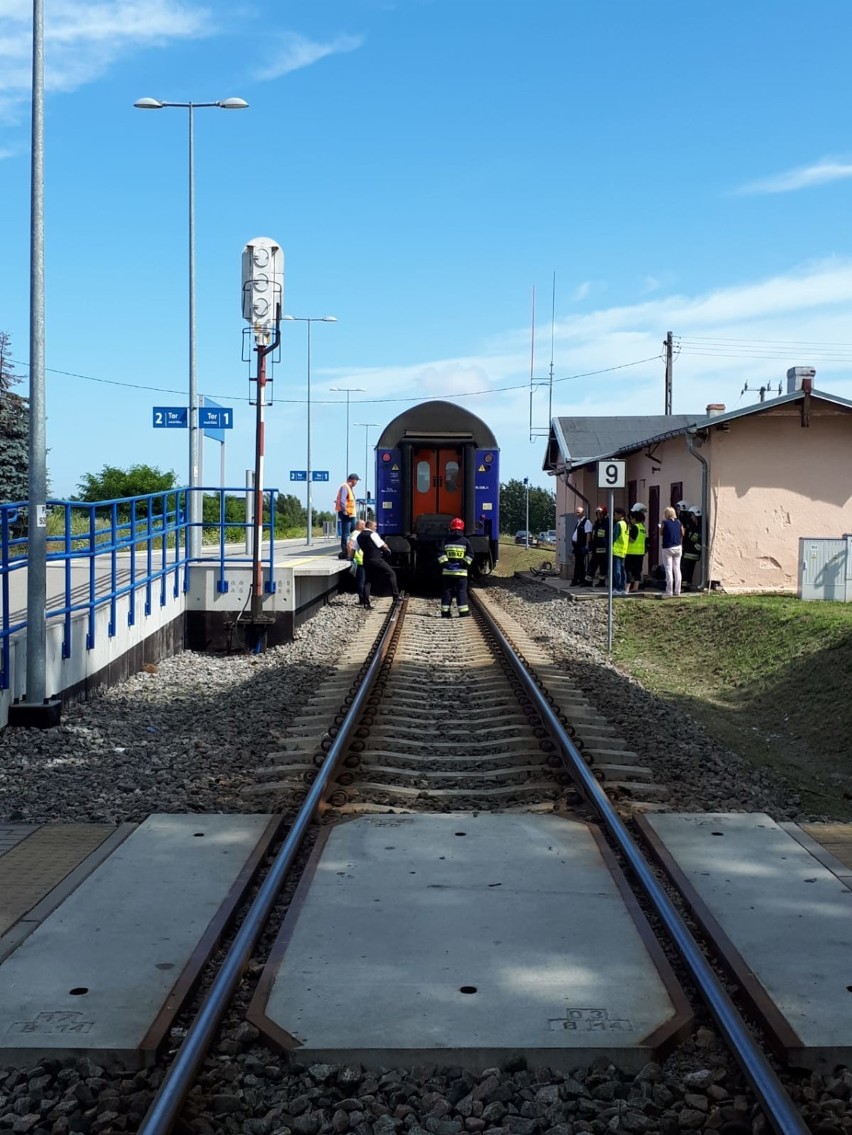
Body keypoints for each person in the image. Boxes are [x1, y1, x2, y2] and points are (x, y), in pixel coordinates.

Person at [356, 519, 400, 609]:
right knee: (391, 573)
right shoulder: (373, 534)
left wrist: (351, 558)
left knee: (367, 581)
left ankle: (366, 604)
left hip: (366, 560)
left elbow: (354, 550)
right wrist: (388, 550)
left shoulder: (359, 536)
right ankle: (396, 596)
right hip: (376, 559)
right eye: (375, 526)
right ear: (369, 526)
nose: (376, 528)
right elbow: (382, 545)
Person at [437, 517, 474, 618]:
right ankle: (463, 612)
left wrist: (447, 564)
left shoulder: (445, 541)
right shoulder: (465, 541)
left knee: (447, 592)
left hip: (448, 573)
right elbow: (470, 555)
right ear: (462, 529)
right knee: (461, 592)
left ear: (451, 528)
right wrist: (462, 564)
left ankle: (445, 613)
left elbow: (440, 555)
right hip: (461, 574)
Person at [659, 505, 684, 597]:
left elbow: (661, 533)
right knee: (677, 569)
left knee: (668, 569)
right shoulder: (679, 522)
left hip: (667, 547)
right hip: (678, 546)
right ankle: (678, 590)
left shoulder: (664, 522)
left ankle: (669, 591)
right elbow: (682, 533)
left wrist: (661, 528)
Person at [335, 473, 360, 558]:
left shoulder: (349, 488)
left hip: (351, 514)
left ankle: (354, 549)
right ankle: (345, 550)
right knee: (346, 533)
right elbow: (342, 500)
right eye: (356, 480)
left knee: (354, 531)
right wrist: (345, 511)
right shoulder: (345, 487)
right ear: (353, 480)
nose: (357, 483)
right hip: (346, 514)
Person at [626, 504, 647, 593]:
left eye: (631, 519)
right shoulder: (643, 527)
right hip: (640, 553)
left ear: (634, 519)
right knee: (637, 571)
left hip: (631, 552)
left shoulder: (635, 527)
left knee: (629, 570)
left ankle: (627, 588)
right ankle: (636, 587)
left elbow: (632, 540)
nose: (630, 521)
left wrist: (626, 534)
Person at [587, 506, 610, 587]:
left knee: (603, 567)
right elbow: (593, 536)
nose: (599, 515)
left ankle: (601, 582)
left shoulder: (607, 523)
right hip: (595, 548)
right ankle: (588, 581)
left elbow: (607, 537)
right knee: (592, 565)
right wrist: (590, 547)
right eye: (597, 514)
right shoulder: (596, 524)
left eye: (600, 513)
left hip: (604, 549)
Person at [570, 506, 593, 586]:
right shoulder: (579, 522)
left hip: (582, 546)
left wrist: (586, 545)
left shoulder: (586, 522)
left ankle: (580, 579)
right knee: (578, 563)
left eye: (578, 512)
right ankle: (578, 579)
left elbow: (588, 534)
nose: (577, 514)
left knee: (580, 564)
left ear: (583, 513)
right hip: (577, 546)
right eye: (576, 512)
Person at [347, 518, 367, 604]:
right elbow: (350, 544)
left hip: (361, 560)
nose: (364, 526)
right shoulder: (356, 534)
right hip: (359, 561)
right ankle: (362, 600)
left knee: (362, 581)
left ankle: (363, 599)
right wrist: (350, 557)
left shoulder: (358, 533)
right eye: (363, 524)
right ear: (359, 526)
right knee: (361, 581)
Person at [682, 506, 702, 590]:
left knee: (684, 568)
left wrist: (690, 548)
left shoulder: (700, 528)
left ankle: (684, 585)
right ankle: (687, 585)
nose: (691, 517)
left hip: (692, 553)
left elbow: (699, 544)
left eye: (692, 515)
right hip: (689, 551)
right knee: (688, 569)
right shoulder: (693, 526)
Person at [611, 507, 629, 595]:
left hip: (617, 550)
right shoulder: (626, 524)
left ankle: (617, 588)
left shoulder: (619, 524)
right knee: (622, 570)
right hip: (624, 550)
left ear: (620, 515)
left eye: (615, 514)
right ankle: (623, 588)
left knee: (617, 570)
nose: (614, 516)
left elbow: (614, 537)